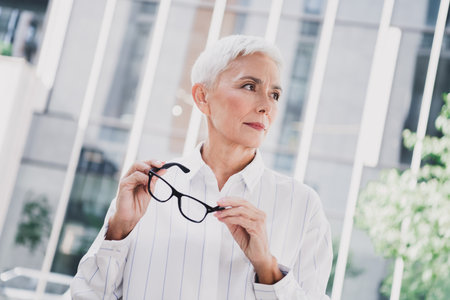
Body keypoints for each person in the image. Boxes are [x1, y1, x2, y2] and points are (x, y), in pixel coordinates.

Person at [71, 35, 332, 300]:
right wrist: (118, 232)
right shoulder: (147, 188)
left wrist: (267, 268)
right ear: (202, 96)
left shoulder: (303, 207)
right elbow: (85, 296)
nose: (266, 106)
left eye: (274, 94)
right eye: (250, 86)